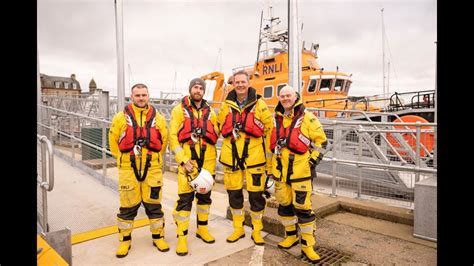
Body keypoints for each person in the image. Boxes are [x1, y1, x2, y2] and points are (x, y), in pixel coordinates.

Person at [108, 83, 169, 258]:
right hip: (128, 169)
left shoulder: (159, 118)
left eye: (144, 95)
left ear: (148, 96)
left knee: (154, 206)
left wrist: (154, 158)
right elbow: (113, 142)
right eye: (137, 95)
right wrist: (123, 160)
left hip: (152, 169)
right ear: (131, 97)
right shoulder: (120, 118)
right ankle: (125, 240)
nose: (141, 98)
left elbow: (163, 141)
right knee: (127, 207)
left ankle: (158, 237)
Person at [269, 85, 327, 263]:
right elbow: (268, 147)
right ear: (279, 99)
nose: (285, 98)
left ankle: (308, 246)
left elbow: (322, 142)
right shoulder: (275, 120)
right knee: (284, 206)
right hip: (280, 173)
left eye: (289, 95)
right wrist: (268, 171)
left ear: (296, 97)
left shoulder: (308, 118)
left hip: (300, 173)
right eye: (282, 96)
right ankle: (290, 236)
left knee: (303, 210)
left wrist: (312, 162)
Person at [216, 70, 274, 245]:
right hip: (231, 156)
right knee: (234, 194)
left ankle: (257, 230)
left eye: (243, 82)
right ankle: (238, 228)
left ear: (248, 83)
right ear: (233, 84)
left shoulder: (260, 104)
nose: (240, 85)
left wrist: (270, 165)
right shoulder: (226, 105)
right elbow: (219, 125)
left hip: (254, 157)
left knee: (256, 197)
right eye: (237, 82)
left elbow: (269, 129)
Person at [169, 78, 219, 256]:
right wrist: (183, 160)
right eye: (195, 88)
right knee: (185, 199)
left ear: (204, 91)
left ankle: (202, 229)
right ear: (190, 89)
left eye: (200, 88)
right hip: (188, 163)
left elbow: (218, 131)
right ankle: (182, 237)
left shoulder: (211, 111)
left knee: (205, 199)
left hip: (208, 162)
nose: (198, 90)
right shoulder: (178, 110)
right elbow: (173, 138)